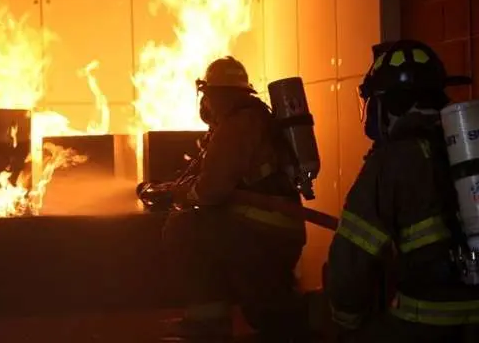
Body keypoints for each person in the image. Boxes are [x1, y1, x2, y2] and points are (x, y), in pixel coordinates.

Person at [325, 39, 479, 342]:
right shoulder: (467, 143)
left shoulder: (391, 161)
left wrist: (345, 319)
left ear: (388, 106)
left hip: (427, 324)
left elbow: (350, 262)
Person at [162, 56, 308, 341]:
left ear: (216, 95)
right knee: (268, 311)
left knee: (183, 227)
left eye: (208, 96)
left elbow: (212, 190)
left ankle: (207, 322)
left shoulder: (237, 125)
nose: (206, 105)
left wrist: (184, 193)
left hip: (260, 231)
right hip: (276, 228)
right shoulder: (255, 117)